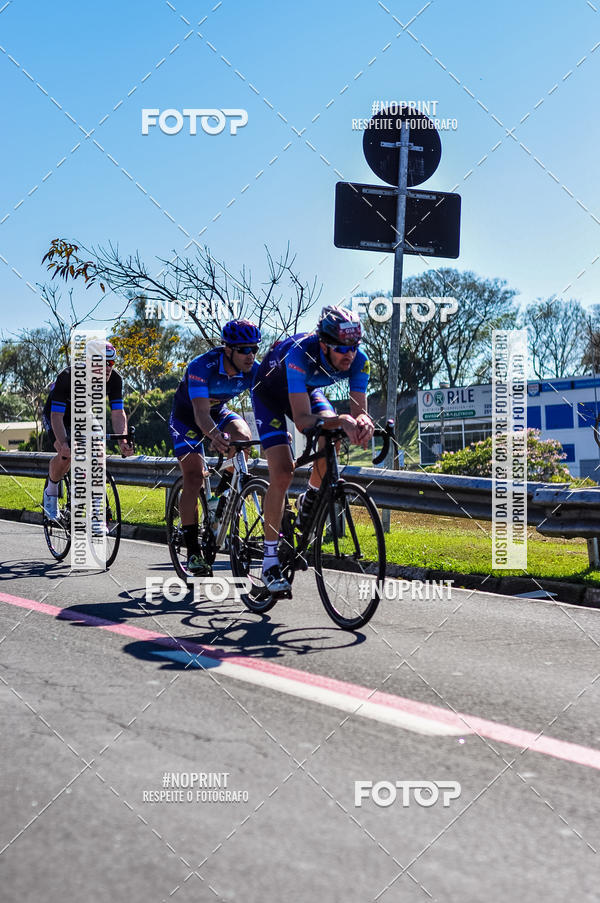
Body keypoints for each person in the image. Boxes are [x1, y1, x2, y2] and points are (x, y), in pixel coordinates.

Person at [251, 305, 374, 594]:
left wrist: (363, 421)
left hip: (304, 390)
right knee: (282, 473)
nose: (350, 355)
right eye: (342, 348)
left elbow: (359, 411)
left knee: (335, 434)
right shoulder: (299, 354)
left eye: (354, 347)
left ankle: (310, 499)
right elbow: (305, 421)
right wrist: (341, 419)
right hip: (269, 394)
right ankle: (269, 561)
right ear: (323, 344)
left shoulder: (359, 361)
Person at [169, 319, 261, 576]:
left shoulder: (254, 369)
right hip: (187, 418)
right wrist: (214, 435)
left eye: (254, 348)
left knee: (243, 438)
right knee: (194, 476)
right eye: (244, 349)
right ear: (227, 349)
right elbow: (199, 413)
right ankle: (193, 552)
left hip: (218, 412)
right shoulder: (201, 366)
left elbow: (271, 400)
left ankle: (219, 499)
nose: (250, 355)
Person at [42, 341, 134, 520]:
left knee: (98, 452)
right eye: (103, 363)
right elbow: (56, 417)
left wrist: (123, 441)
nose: (108, 368)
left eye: (111, 363)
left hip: (84, 415)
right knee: (66, 455)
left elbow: (117, 413)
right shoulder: (68, 376)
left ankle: (97, 513)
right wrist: (63, 443)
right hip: (58, 415)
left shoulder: (115, 380)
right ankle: (51, 492)